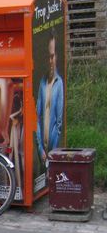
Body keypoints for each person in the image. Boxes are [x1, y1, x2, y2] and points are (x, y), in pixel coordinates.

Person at [36, 31, 64, 164]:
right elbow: (37, 116)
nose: (50, 61)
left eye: (52, 57)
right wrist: (40, 148)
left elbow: (59, 123)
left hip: (52, 148)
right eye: (48, 57)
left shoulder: (59, 83)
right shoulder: (42, 82)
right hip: (42, 149)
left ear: (57, 56)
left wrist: (53, 151)